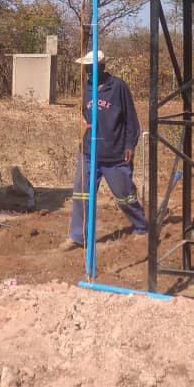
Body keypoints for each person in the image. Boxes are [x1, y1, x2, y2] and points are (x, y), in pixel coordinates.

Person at [60, 50, 147, 250]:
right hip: (89, 152)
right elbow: (85, 112)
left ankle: (141, 226)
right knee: (81, 194)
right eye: (85, 67)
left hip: (115, 153)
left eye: (90, 67)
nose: (87, 71)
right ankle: (77, 236)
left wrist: (130, 145)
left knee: (124, 195)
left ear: (101, 66)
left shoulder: (118, 87)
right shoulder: (86, 87)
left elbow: (131, 119)